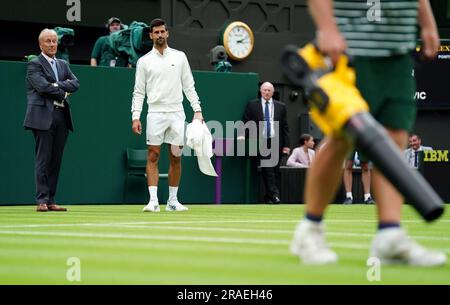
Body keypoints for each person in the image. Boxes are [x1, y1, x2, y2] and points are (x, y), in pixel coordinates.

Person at [290, 0, 446, 266]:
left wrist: (428, 23)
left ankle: (389, 234)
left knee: (394, 139)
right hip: (350, 52)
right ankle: (310, 229)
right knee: (341, 138)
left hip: (398, 53)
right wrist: (327, 28)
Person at [131, 18, 204, 212]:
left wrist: (197, 110)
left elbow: (189, 85)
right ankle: (153, 201)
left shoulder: (180, 57)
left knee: (176, 156)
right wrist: (135, 116)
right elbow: (139, 92)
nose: (160, 35)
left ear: (167, 33)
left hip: (177, 113)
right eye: (156, 32)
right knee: (153, 155)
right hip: (155, 112)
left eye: (162, 31)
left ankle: (172, 201)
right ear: (151, 35)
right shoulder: (144, 61)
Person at [23, 28, 80, 212]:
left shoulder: (63, 64)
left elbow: (76, 83)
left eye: (54, 41)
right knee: (43, 159)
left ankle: (51, 199)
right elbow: (42, 88)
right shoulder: (34, 64)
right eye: (48, 41)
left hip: (62, 116)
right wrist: (62, 89)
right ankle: (41, 200)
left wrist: (55, 85)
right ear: (41, 44)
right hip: (42, 116)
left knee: (56, 160)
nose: (52, 44)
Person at [243, 82, 290, 204]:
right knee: (268, 168)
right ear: (261, 91)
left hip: (276, 141)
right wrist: (242, 135)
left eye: (269, 90)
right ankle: (275, 195)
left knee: (275, 170)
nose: (267, 92)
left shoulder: (281, 106)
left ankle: (268, 197)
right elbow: (246, 121)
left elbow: (285, 127)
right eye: (265, 90)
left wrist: (286, 145)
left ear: (273, 92)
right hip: (261, 141)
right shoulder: (253, 105)